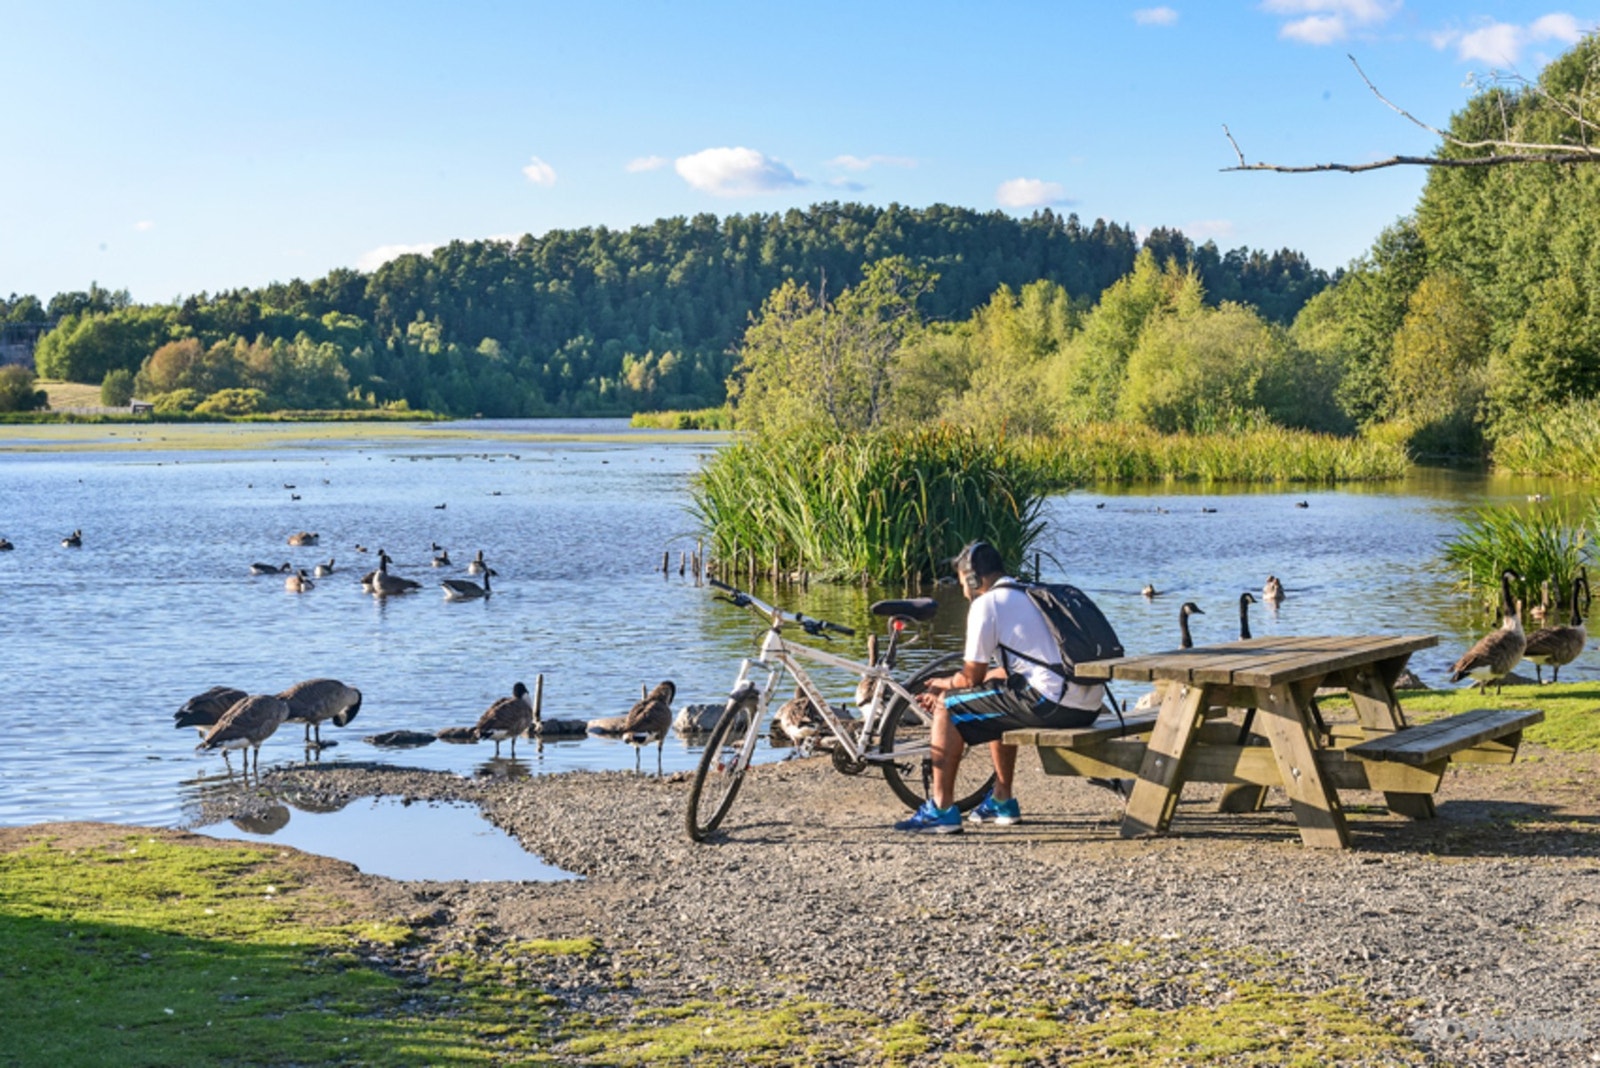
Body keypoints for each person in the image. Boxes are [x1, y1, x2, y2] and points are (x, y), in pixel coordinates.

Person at [894, 540, 1109, 834]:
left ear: (972, 579)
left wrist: (944, 686)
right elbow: (1003, 674)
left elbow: (969, 679)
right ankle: (1002, 800)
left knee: (947, 705)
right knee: (997, 691)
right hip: (1087, 705)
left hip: (1053, 704)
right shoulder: (1029, 594)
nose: (963, 591)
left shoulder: (987, 604)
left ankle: (941, 810)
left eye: (962, 584)